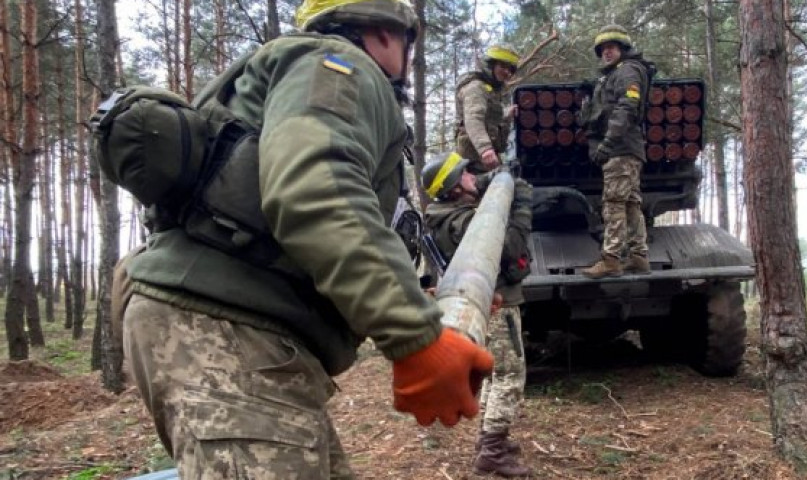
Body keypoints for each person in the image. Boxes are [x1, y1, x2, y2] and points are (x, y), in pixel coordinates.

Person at [119, 1, 494, 478]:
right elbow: (313, 190)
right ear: (384, 32)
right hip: (225, 335)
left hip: (232, 333)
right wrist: (414, 336)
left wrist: (424, 301)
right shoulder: (340, 68)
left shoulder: (304, 74)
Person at [421, 152, 534, 477]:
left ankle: (490, 440)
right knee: (510, 375)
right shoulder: (465, 222)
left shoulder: (450, 212)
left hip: (492, 299)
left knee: (496, 376)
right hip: (496, 304)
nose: (474, 177)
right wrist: (522, 204)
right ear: (456, 189)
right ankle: (493, 451)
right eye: (467, 174)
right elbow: (511, 246)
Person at [580, 24, 652, 278]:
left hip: (621, 149)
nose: (607, 53)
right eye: (603, 49)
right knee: (631, 203)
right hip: (627, 149)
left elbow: (627, 107)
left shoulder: (628, 71)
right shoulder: (613, 75)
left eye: (611, 47)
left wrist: (607, 143)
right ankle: (638, 256)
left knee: (613, 203)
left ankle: (611, 259)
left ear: (623, 48)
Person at [456, 45, 521, 174]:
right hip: (475, 162)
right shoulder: (476, 87)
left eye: (510, 69)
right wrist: (485, 149)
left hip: (485, 160)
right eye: (502, 66)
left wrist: (506, 114)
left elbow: (490, 119)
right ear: (490, 65)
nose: (507, 72)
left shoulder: (490, 90)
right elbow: (473, 118)